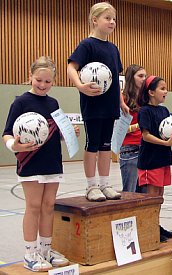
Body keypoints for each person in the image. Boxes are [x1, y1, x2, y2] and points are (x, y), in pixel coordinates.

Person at [2, 56, 77, 272]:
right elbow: (7, 133)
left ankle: (46, 250)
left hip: (52, 161)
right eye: (38, 80)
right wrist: (13, 146)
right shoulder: (21, 102)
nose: (43, 85)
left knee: (48, 206)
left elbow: (52, 132)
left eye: (48, 82)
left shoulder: (53, 103)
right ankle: (30, 253)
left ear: (53, 82)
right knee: (33, 206)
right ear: (30, 77)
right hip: (30, 162)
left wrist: (67, 133)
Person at [67, 2, 128, 202]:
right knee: (92, 144)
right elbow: (71, 67)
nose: (112, 22)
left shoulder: (113, 48)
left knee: (105, 145)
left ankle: (104, 183)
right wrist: (80, 86)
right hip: (93, 104)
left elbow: (115, 78)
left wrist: (121, 102)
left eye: (114, 19)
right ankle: (91, 186)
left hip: (110, 105)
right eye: (107, 18)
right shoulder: (87, 45)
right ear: (95, 20)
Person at [137, 75, 172, 242]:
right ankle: (148, 229)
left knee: (160, 196)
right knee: (151, 197)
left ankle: (156, 226)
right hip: (150, 160)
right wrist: (165, 143)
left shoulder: (164, 111)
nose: (166, 91)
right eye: (162, 88)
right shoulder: (144, 111)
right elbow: (146, 135)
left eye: (166, 88)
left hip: (163, 159)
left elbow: (168, 132)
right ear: (151, 92)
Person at [119, 64, 146, 192]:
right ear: (131, 78)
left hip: (146, 148)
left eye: (145, 76)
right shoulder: (122, 99)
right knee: (130, 193)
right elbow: (119, 129)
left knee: (145, 195)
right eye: (140, 76)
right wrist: (139, 126)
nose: (144, 79)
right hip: (130, 150)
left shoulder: (146, 99)